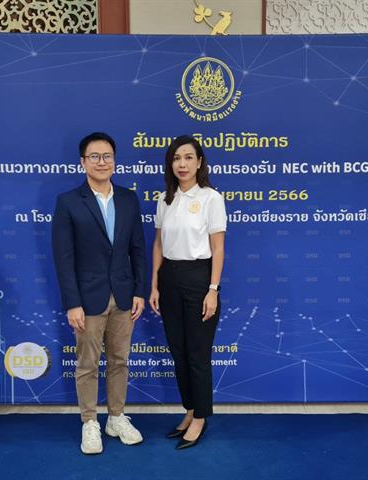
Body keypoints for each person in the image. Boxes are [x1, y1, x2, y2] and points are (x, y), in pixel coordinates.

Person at [52, 132, 146, 455]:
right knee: (88, 363)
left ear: (114, 161)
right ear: (83, 162)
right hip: (87, 299)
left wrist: (139, 291)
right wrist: (72, 303)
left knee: (120, 360)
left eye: (107, 156)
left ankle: (116, 417)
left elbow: (138, 249)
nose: (101, 162)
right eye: (94, 156)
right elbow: (63, 258)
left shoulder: (129, 199)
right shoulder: (68, 202)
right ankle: (89, 422)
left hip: (124, 295)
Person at [149, 135, 227, 450]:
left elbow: (218, 248)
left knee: (197, 354)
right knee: (178, 353)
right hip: (169, 277)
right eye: (176, 158)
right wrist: (154, 284)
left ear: (199, 162)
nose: (182, 164)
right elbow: (158, 244)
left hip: (199, 278)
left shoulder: (211, 198)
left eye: (188, 157)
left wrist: (213, 290)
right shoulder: (164, 199)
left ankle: (201, 417)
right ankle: (190, 409)